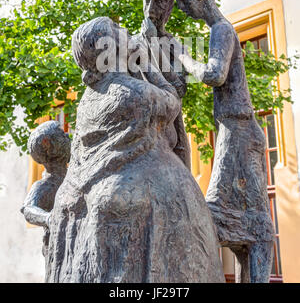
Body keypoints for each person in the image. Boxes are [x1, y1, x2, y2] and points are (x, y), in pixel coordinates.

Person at [45, 16, 224, 283]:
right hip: (142, 200)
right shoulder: (134, 93)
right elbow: (172, 101)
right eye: (117, 29)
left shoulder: (88, 98)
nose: (125, 30)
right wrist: (146, 63)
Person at [173, 0, 275, 283]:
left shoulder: (221, 30)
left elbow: (215, 74)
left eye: (183, 2)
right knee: (243, 219)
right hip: (235, 132)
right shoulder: (218, 30)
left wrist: (184, 57)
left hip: (239, 133)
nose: (183, 9)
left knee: (227, 219)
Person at [135, 0, 191, 169]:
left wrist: (153, 44)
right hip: (139, 131)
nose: (150, 10)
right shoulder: (129, 42)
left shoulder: (176, 46)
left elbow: (180, 88)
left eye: (158, 3)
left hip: (170, 133)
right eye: (147, 0)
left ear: (168, 9)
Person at [21, 121, 70, 259]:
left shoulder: (73, 176)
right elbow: (28, 209)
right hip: (60, 251)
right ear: (49, 145)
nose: (67, 135)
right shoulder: (45, 185)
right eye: (62, 134)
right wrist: (49, 218)